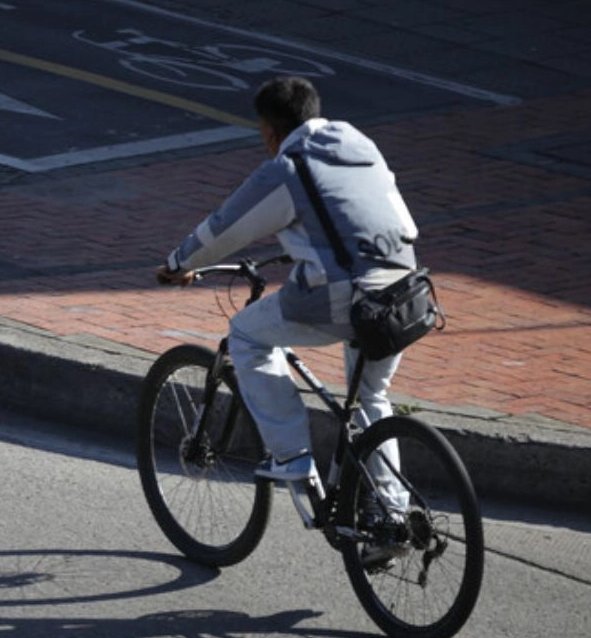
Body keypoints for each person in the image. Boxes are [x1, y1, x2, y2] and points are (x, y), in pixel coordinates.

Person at [156, 76, 418, 503]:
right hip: (404, 286)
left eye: (262, 133)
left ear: (271, 130)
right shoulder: (359, 143)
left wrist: (178, 265)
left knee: (246, 333)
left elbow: (225, 228)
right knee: (371, 394)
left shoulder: (288, 167)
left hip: (345, 296)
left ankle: (290, 455)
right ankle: (394, 514)